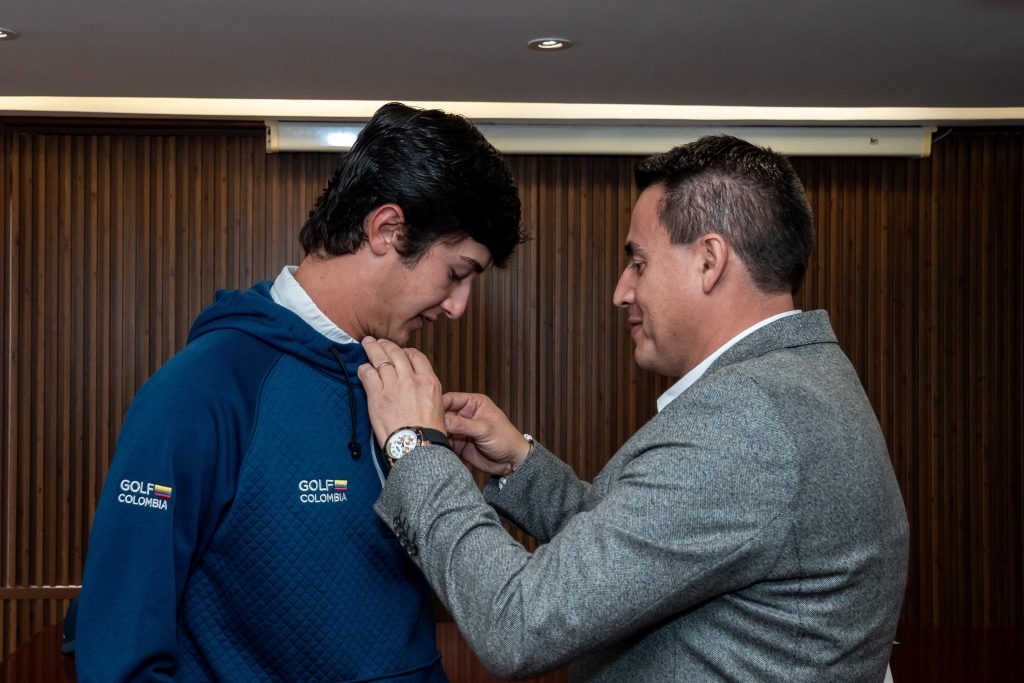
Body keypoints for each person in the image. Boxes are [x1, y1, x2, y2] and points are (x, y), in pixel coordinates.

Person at [358, 135, 909, 682]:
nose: (622, 291)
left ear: (709, 261)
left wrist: (417, 449)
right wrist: (520, 465)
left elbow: (517, 623)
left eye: (639, 264)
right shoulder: (802, 379)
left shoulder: (745, 422)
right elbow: (644, 556)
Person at [75, 102, 524, 682]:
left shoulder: (404, 391)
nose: (459, 307)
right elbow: (119, 655)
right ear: (387, 230)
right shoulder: (201, 391)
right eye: (457, 273)